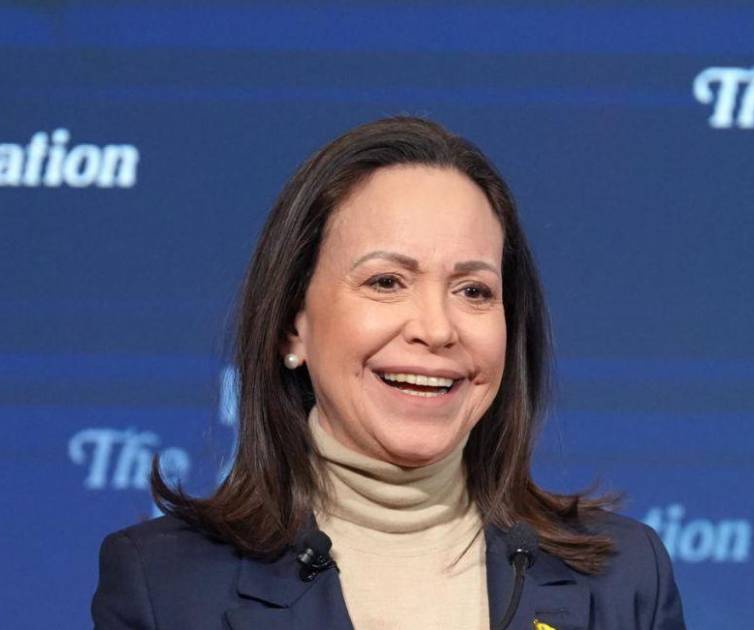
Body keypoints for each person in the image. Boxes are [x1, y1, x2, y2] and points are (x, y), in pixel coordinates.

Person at [91, 116, 686, 629]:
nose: (437, 328)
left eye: (473, 290)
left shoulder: (624, 578)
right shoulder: (165, 587)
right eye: (386, 282)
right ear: (293, 326)